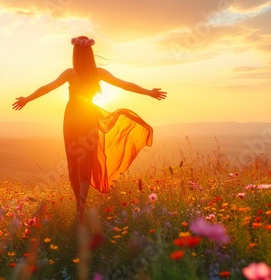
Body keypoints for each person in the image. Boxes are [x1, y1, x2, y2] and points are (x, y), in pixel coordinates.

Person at [13, 36, 166, 220]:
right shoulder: (98, 72)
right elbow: (125, 85)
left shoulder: (70, 73)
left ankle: (79, 205)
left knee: (74, 160)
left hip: (72, 118)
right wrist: (149, 92)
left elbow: (46, 88)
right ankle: (81, 206)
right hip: (88, 117)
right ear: (91, 53)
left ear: (75, 54)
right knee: (87, 159)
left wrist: (26, 100)